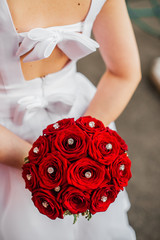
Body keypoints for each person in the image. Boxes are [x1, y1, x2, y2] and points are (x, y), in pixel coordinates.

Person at [0, 0, 141, 239]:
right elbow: (123, 73)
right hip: (72, 117)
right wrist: (77, 148)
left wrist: (66, 156)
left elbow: (124, 73)